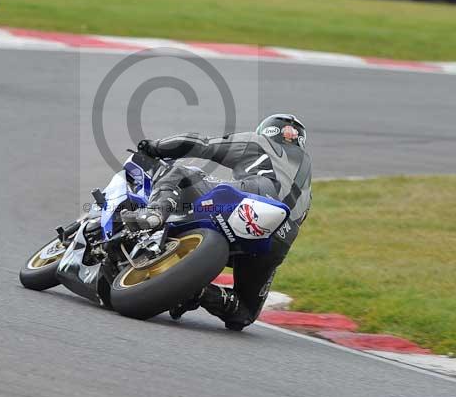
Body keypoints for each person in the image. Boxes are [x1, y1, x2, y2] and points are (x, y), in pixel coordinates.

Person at [121, 113, 312, 331]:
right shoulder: (307, 183)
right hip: (280, 237)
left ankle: (154, 214)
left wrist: (153, 147)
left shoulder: (258, 141)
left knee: (183, 172)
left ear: (266, 130)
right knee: (244, 313)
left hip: (251, 196)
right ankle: (200, 292)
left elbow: (201, 145)